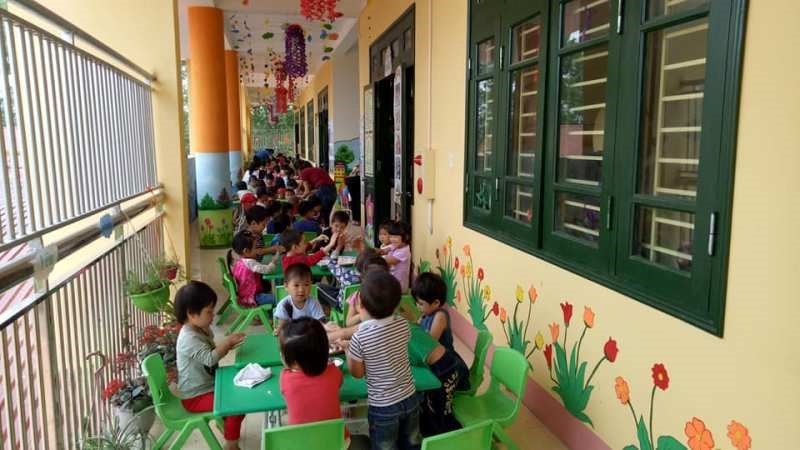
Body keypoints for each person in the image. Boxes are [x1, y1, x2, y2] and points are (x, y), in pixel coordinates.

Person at [345, 270, 421, 450]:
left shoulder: (360, 337)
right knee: (411, 443)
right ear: (396, 305)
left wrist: (348, 350)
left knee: (385, 446)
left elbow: (357, 373)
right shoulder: (403, 324)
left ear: (361, 306)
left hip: (383, 406)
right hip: (410, 396)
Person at [174, 281, 246, 450]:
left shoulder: (201, 328)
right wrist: (226, 343)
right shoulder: (188, 338)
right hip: (195, 397)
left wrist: (227, 345)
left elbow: (212, 352)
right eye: (209, 311)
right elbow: (210, 358)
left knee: (242, 396)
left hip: (209, 385)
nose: (213, 315)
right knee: (235, 406)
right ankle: (231, 446)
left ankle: (228, 428)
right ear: (191, 314)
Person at [279, 317, 345, 433]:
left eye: (282, 352)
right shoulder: (334, 371)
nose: (280, 354)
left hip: (300, 441)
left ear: (294, 362)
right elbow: (339, 383)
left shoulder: (286, 379)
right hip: (337, 441)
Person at [407, 323, 469, 437]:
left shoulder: (403, 332)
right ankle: (430, 433)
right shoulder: (398, 325)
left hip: (446, 368)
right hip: (433, 366)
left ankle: (454, 438)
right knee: (427, 406)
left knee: (442, 413)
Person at [274, 264, 326, 334]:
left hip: (310, 334)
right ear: (286, 286)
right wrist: (279, 330)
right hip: (292, 335)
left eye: (306, 285)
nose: (301, 290)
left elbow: (319, 322)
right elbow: (283, 324)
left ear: (311, 284)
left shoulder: (313, 303)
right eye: (296, 285)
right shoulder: (283, 304)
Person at [411, 273, 456, 353]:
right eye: (416, 302)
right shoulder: (425, 314)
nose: (417, 306)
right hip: (430, 354)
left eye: (421, 304)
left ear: (436, 303)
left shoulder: (440, 316)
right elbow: (417, 328)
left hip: (445, 357)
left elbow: (430, 343)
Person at [231, 231, 278, 307]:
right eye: (255, 247)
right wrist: (273, 262)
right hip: (253, 297)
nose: (258, 250)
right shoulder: (250, 263)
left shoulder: (239, 262)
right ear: (246, 251)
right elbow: (267, 270)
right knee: (277, 298)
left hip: (244, 295)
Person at [382, 221, 412, 292]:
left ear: (406, 237)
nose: (392, 239)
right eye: (391, 236)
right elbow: (382, 251)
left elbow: (385, 261)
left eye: (395, 237)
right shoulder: (396, 245)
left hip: (399, 287)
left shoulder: (404, 251)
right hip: (392, 281)